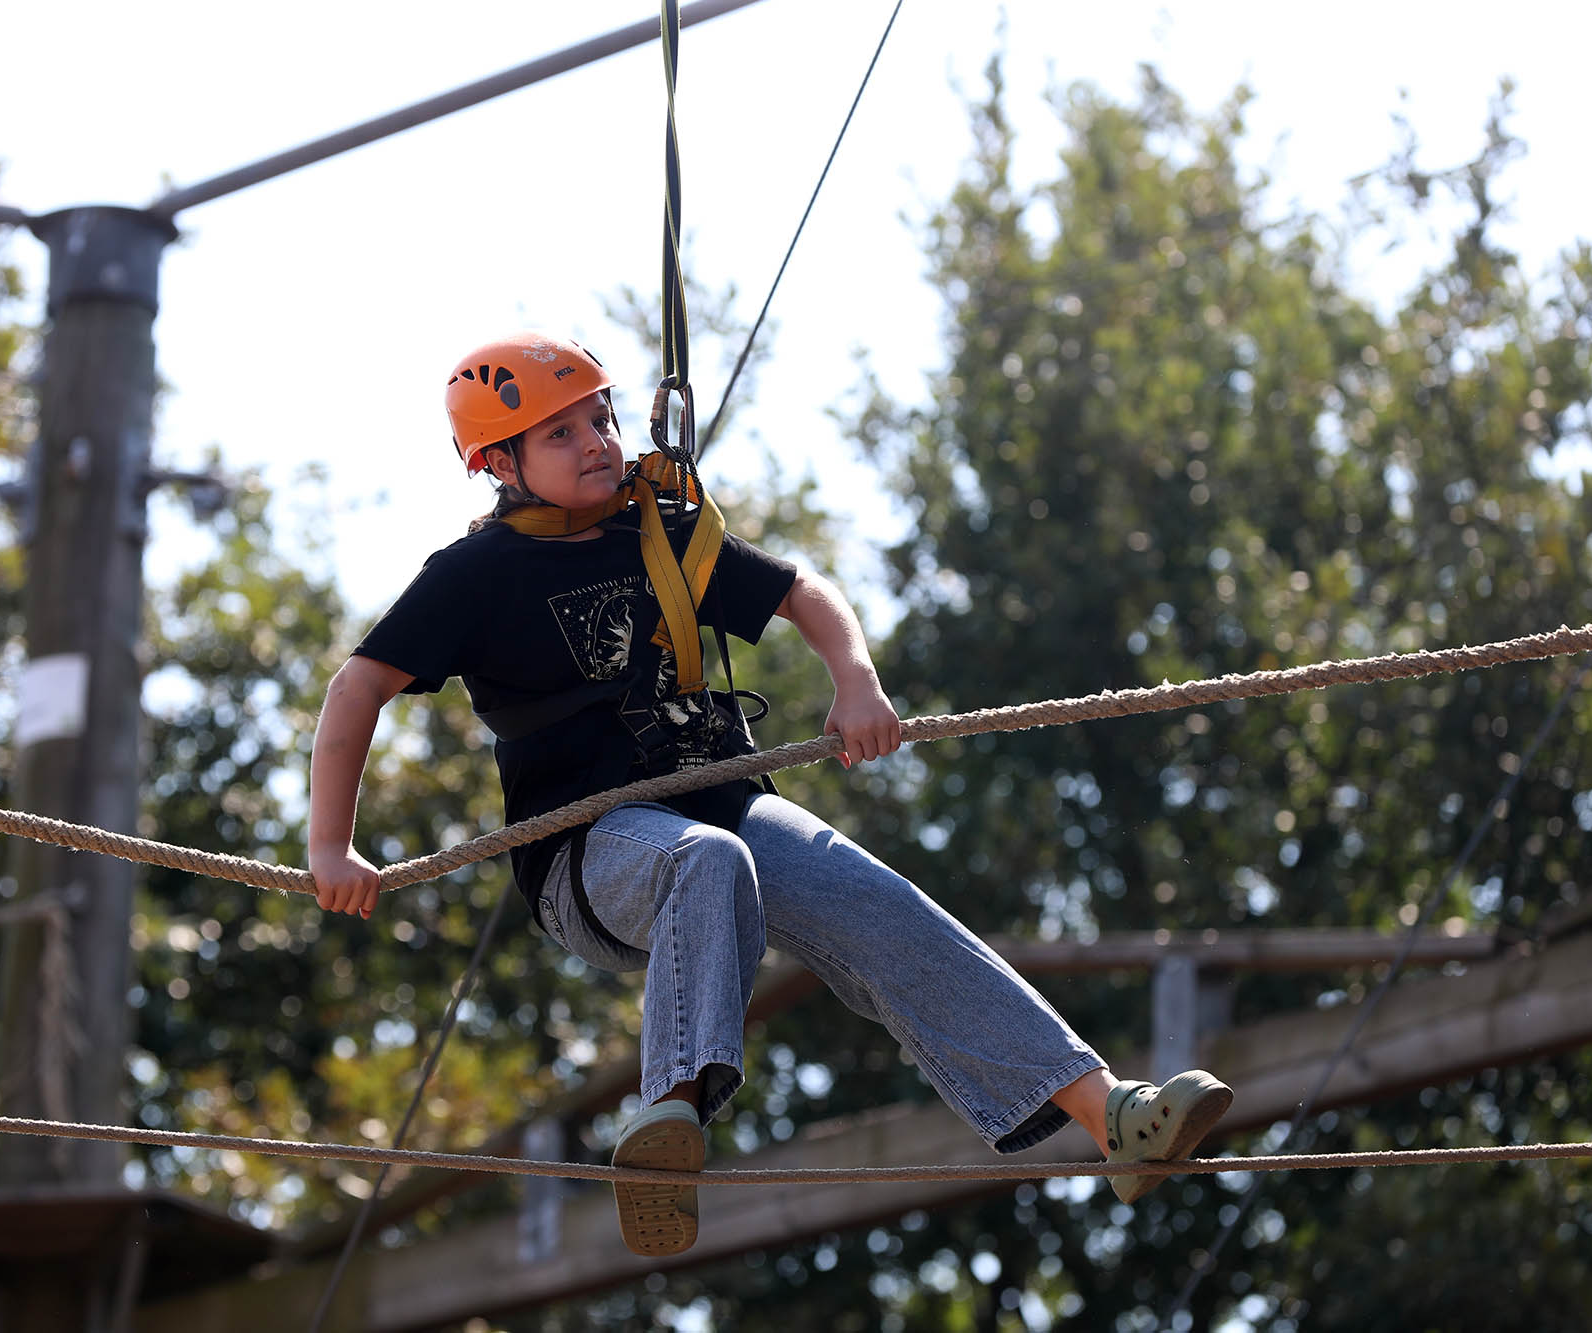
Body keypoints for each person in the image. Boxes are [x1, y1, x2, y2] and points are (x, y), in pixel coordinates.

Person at [306, 331, 1232, 1259]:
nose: (596, 442)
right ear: (499, 464)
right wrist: (331, 846)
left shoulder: (658, 529)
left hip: (717, 801)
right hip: (592, 853)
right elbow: (357, 690)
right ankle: (668, 1117)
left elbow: (802, 593)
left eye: (601, 417)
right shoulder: (476, 575)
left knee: (877, 902)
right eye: (560, 435)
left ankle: (1110, 1113)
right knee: (705, 861)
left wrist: (855, 679)